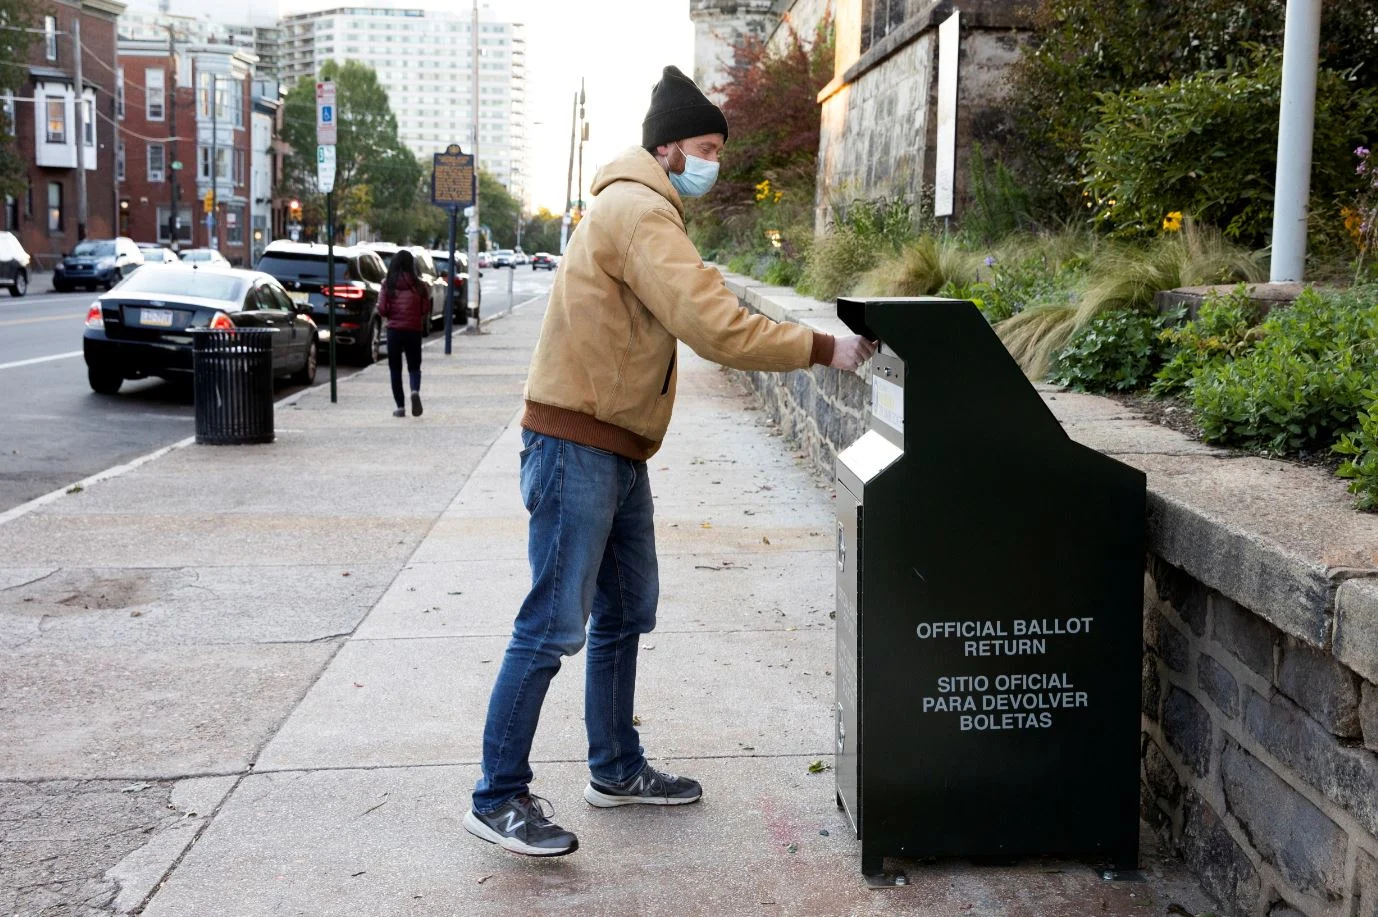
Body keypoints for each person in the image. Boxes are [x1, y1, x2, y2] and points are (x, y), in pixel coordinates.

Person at [463, 65, 877, 858]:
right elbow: (712, 321)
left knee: (625, 612)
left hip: (613, 447)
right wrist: (825, 347)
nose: (712, 160)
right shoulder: (640, 210)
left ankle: (615, 767)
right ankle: (497, 794)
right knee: (552, 624)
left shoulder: (640, 206)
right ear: (666, 147)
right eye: (704, 146)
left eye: (718, 147)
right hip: (576, 445)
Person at [375, 249, 427, 418]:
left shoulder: (387, 284)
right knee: (414, 366)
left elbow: (382, 310)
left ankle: (400, 407)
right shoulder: (420, 285)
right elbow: (425, 309)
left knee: (395, 369)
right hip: (413, 330)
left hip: (394, 331)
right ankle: (414, 391)